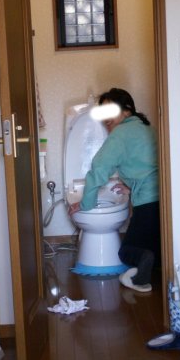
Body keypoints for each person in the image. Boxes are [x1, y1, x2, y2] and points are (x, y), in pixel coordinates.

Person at [68, 87, 160, 293]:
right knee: (157, 246)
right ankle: (154, 262)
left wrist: (85, 204)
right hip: (164, 201)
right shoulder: (150, 129)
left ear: (126, 110)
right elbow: (149, 166)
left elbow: (99, 169)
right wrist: (130, 187)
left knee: (127, 252)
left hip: (146, 204)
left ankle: (142, 271)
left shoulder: (120, 134)